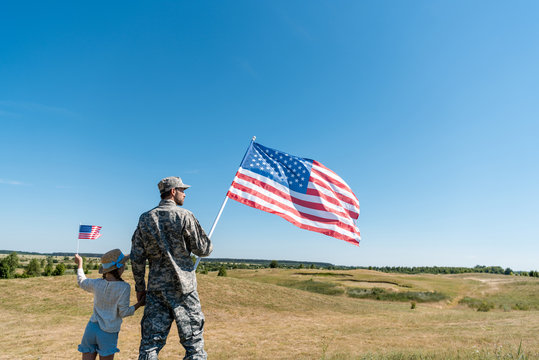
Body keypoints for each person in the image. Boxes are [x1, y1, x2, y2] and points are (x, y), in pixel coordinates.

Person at [131, 176, 213, 360]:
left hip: (156, 290)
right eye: (182, 190)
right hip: (184, 290)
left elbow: (137, 256)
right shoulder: (185, 216)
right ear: (173, 192)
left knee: (149, 346)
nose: (185, 194)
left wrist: (140, 288)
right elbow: (203, 249)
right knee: (194, 347)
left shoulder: (145, 219)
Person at [75, 249, 145, 360]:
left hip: (91, 328)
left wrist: (80, 264)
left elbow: (81, 281)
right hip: (108, 332)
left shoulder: (97, 283)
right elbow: (124, 312)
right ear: (119, 268)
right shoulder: (124, 287)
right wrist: (139, 304)